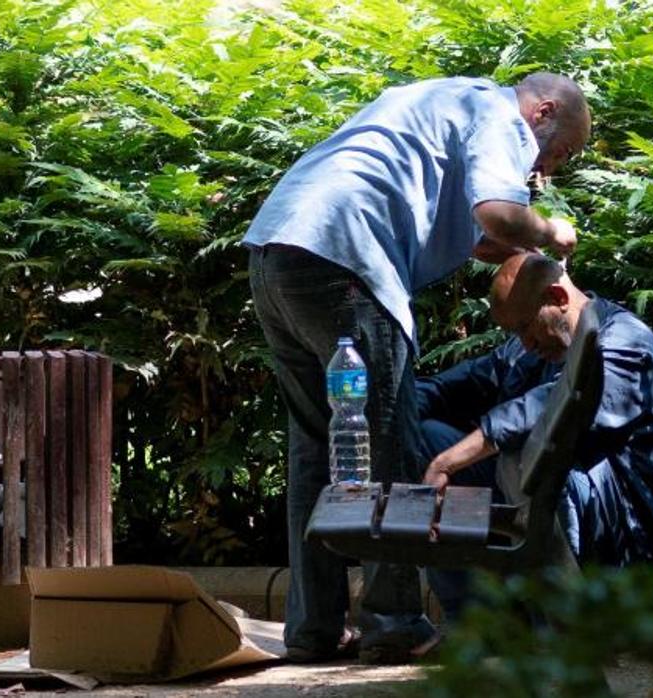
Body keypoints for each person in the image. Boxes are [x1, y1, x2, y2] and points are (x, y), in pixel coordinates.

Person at [242, 74, 591, 663]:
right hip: (348, 260)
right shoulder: (498, 115)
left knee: (315, 447)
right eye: (560, 153)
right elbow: (500, 216)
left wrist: (518, 243)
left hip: (278, 252)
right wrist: (552, 229)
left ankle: (314, 629)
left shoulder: (437, 100)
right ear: (543, 112)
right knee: (390, 448)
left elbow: (483, 238)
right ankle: (394, 623)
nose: (549, 171)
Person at [417, 252, 653, 621]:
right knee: (427, 435)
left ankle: (560, 624)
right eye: (515, 333)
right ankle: (473, 624)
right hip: (555, 503)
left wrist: (449, 461)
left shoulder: (626, 341)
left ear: (558, 299)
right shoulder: (526, 350)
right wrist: (383, 408)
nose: (524, 343)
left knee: (532, 457)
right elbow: (451, 387)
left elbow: (553, 410)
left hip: (627, 530)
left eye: (526, 327)